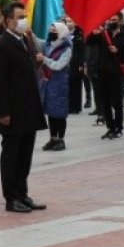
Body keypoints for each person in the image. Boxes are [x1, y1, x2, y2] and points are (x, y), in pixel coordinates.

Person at [0, 3, 48, 213]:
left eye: (25, 16)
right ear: (7, 21)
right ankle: (11, 197)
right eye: (19, 17)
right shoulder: (1, 45)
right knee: (12, 154)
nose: (24, 20)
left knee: (25, 155)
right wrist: (3, 111)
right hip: (13, 110)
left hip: (29, 107)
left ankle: (22, 193)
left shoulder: (25, 40)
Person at [41, 22, 74, 151]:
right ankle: (53, 138)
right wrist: (29, 33)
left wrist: (44, 60)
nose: (51, 31)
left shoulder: (67, 49)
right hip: (49, 83)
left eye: (54, 30)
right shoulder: (48, 45)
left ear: (61, 32)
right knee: (51, 112)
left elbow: (58, 65)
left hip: (60, 84)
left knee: (59, 113)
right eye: (50, 29)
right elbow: (37, 42)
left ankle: (61, 139)